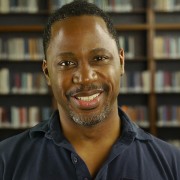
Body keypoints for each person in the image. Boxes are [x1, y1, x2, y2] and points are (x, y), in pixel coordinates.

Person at [0, 1, 180, 180]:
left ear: (121, 62)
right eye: (66, 63)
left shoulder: (173, 164)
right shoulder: (5, 161)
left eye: (99, 58)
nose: (86, 77)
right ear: (47, 73)